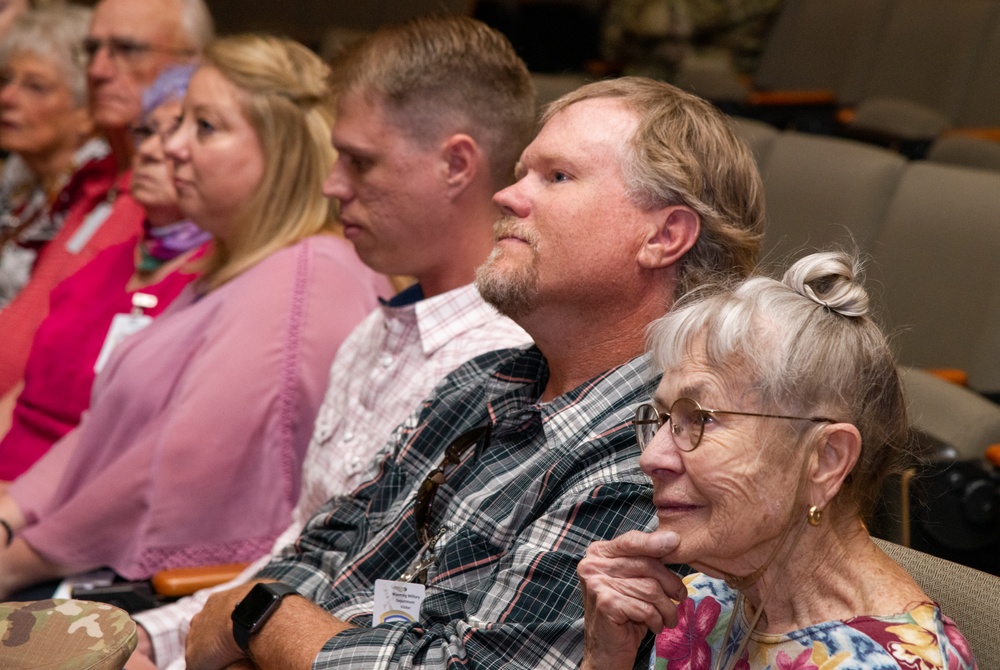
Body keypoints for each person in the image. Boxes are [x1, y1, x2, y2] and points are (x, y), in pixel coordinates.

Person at [183, 74, 765, 670]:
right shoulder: (483, 381)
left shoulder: (660, 456)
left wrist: (261, 621)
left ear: (663, 236)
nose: (508, 197)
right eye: (521, 172)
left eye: (557, 177)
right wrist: (267, 625)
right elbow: (324, 547)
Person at [131, 16, 535, 667]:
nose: (333, 183)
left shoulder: (506, 363)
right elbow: (300, 555)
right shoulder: (379, 329)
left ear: (456, 164)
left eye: (360, 161)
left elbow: (391, 608)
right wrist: (151, 639)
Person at [0, 34, 390, 598]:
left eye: (204, 127)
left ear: (281, 149)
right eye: (175, 124)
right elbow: (107, 428)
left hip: (168, 593)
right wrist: (12, 509)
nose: (172, 147)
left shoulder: (306, 278)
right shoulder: (236, 265)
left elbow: (175, 474)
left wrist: (18, 561)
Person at [577, 250, 977, 670]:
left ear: (826, 459)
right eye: (662, 419)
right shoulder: (704, 602)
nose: (652, 457)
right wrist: (605, 659)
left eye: (699, 419)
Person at [0, 65, 209, 481]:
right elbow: (25, 395)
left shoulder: (211, 281)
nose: (149, 151)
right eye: (147, 133)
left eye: (172, 136)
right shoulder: (108, 262)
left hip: (58, 505)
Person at [0, 0, 212, 400]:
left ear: (192, 63)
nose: (96, 71)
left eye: (127, 50)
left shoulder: (178, 201)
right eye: (92, 50)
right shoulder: (93, 181)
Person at [0, 3, 102, 309]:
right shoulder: (19, 178)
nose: (7, 97)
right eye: (6, 79)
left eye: (36, 87)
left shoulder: (96, 195)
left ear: (87, 112)